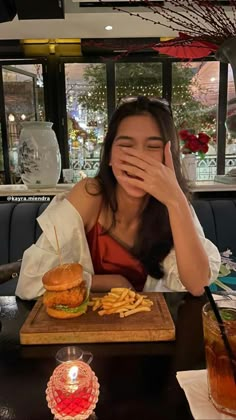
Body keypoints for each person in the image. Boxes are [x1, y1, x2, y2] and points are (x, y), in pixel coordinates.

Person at [16, 96, 221, 300]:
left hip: (155, 327)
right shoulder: (90, 194)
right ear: (110, 156)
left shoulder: (174, 202)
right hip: (86, 329)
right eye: (126, 145)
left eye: (152, 147)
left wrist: (176, 202)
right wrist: (111, 283)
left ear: (169, 157)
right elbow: (30, 282)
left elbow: (197, 285)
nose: (138, 158)